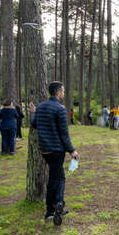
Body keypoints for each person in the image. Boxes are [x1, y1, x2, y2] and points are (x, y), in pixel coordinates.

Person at [29, 81, 79, 226]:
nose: (64, 94)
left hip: (45, 150)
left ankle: (56, 206)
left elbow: (34, 124)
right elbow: (64, 134)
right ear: (57, 92)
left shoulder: (41, 107)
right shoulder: (60, 109)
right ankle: (54, 207)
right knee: (56, 180)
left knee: (57, 176)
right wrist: (72, 150)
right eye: (63, 91)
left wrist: (34, 113)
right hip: (57, 150)